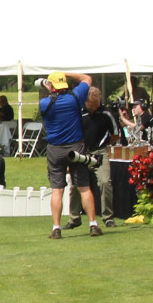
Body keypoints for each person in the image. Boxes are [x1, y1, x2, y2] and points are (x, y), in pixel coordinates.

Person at [38, 71, 100, 238]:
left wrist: (49, 87)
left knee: (57, 190)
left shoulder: (44, 103)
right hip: (75, 148)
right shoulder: (75, 98)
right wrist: (66, 73)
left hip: (55, 149)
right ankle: (93, 224)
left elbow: (52, 98)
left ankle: (56, 228)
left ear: (51, 86)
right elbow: (87, 79)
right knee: (84, 187)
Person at [70, 86, 118, 225]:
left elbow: (115, 134)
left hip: (99, 152)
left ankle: (108, 217)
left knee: (105, 182)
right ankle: (74, 218)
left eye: (96, 105)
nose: (93, 108)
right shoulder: (79, 112)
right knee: (74, 185)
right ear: (85, 101)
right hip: (81, 152)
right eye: (90, 105)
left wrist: (103, 143)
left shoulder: (107, 113)